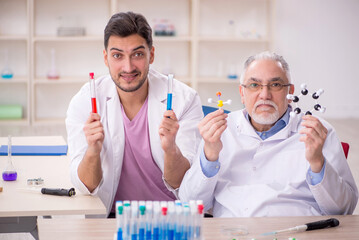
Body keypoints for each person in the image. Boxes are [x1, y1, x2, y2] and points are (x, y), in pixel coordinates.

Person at [179, 51, 358, 217]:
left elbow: (344, 209)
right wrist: (210, 155)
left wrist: (317, 162)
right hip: (233, 232)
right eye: (254, 85)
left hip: (300, 232)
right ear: (242, 92)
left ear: (290, 91)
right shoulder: (219, 131)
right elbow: (190, 204)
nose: (264, 95)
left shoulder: (318, 131)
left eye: (275, 85)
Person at [66, 12, 203, 217]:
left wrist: (171, 149)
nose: (128, 67)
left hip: (172, 217)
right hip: (114, 218)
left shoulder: (184, 99)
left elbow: (186, 183)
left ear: (152, 55)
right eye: (117, 55)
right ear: (106, 57)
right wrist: (93, 150)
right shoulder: (85, 101)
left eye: (138, 54)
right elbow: (86, 187)